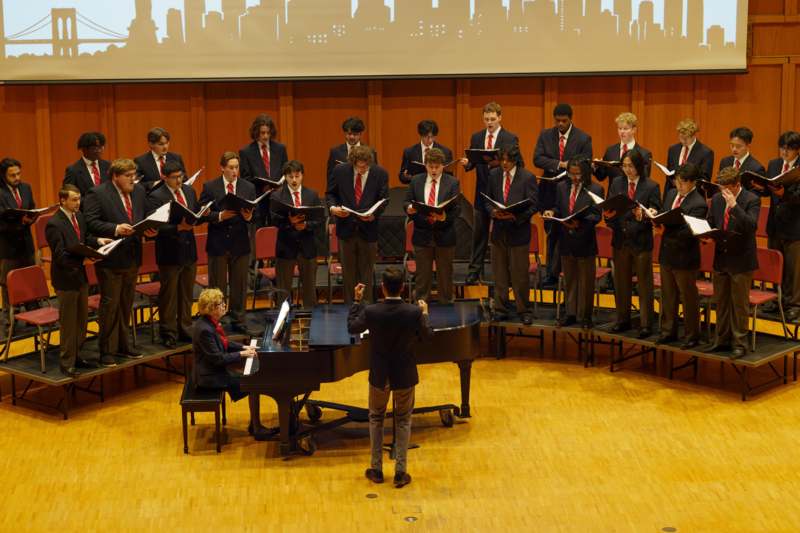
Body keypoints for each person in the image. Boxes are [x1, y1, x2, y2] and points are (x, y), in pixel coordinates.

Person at [347, 268, 432, 489]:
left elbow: (352, 327)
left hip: (380, 373)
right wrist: (424, 314)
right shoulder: (412, 312)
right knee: (403, 420)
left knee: (376, 417)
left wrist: (357, 301)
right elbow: (426, 337)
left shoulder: (372, 311)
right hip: (404, 374)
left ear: (382, 287)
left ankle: (376, 469)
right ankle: (400, 473)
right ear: (403, 287)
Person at [84, 159, 157, 366]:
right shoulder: (97, 193)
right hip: (111, 258)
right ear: (115, 176)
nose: (132, 179)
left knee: (126, 304)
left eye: (133, 174)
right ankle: (107, 350)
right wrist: (116, 229)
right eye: (127, 175)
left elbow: (145, 216)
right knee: (110, 305)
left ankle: (124, 345)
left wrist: (152, 228)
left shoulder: (139, 191)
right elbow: (90, 222)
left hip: (132, 256)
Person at [45, 184, 111, 377]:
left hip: (80, 278)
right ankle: (66, 363)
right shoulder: (54, 224)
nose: (78, 203)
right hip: (65, 279)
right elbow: (60, 256)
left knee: (81, 321)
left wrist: (98, 241)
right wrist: (83, 259)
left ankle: (76, 356)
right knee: (69, 323)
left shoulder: (79, 217)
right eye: (74, 199)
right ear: (62, 200)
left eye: (79, 199)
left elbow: (84, 238)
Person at [193, 288, 271, 440]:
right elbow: (218, 359)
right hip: (211, 377)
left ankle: (255, 425)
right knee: (254, 385)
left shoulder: (209, 323)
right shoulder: (205, 330)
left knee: (250, 378)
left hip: (214, 370)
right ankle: (256, 428)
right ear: (211, 309)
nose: (224, 306)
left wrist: (244, 347)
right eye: (220, 304)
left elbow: (224, 343)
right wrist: (242, 354)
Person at [461, 102, 522, 285]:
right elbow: (474, 162)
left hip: (501, 192)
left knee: (504, 232)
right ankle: (474, 271)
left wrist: (497, 163)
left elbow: (518, 164)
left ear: (500, 117)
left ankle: (505, 272)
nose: (489, 122)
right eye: (486, 119)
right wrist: (468, 164)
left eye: (493, 119)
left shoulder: (510, 138)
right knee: (478, 233)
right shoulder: (477, 137)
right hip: (482, 192)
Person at [534, 103, 593, 287]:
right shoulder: (545, 135)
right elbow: (537, 158)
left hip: (572, 190)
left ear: (570, 119)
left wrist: (573, 167)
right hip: (549, 190)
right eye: (557, 121)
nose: (560, 124)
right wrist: (560, 164)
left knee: (569, 232)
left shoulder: (583, 138)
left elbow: (586, 161)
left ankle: (566, 272)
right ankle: (551, 272)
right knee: (551, 232)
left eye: (564, 121)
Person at [146, 160, 204, 348]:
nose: (179, 181)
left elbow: (194, 214)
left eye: (181, 176)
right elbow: (155, 226)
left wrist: (201, 214)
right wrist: (177, 227)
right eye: (174, 178)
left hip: (188, 249)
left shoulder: (188, 191)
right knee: (169, 295)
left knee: (186, 293)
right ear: (164, 177)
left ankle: (185, 329)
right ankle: (168, 332)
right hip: (169, 251)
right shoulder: (156, 196)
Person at [604, 149, 661, 338]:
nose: (627, 170)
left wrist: (644, 216)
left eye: (631, 166)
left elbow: (656, 213)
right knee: (621, 283)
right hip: (620, 240)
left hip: (641, 241)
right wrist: (608, 217)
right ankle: (622, 319)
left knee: (644, 285)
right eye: (624, 166)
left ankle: (646, 323)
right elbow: (610, 209)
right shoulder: (617, 184)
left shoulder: (651, 186)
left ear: (639, 166)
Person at [199, 152, 256, 334]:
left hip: (240, 243)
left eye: (236, 167)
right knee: (218, 286)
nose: (234, 171)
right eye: (230, 167)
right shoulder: (210, 186)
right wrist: (219, 216)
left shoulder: (247, 187)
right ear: (222, 167)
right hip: (218, 243)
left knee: (239, 284)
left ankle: (239, 318)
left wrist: (249, 216)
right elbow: (201, 213)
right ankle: (217, 321)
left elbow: (258, 213)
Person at [706, 166, 760, 358]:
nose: (723, 193)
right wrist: (706, 234)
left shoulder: (751, 200)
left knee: (739, 304)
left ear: (737, 185)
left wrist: (734, 206)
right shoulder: (717, 199)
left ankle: (739, 343)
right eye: (721, 188)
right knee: (721, 302)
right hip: (721, 258)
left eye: (727, 189)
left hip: (741, 260)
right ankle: (721, 339)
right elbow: (711, 221)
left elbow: (751, 226)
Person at [542, 158, 602, 328]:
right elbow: (558, 208)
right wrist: (551, 211)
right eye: (571, 173)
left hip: (585, 241)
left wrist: (580, 223)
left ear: (585, 173)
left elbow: (596, 215)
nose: (574, 177)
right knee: (570, 281)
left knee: (586, 282)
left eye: (578, 174)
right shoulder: (562, 187)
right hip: (566, 241)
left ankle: (586, 317)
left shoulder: (596, 189)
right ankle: (571, 314)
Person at [654, 163, 708, 350]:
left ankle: (692, 335)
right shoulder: (670, 194)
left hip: (685, 257)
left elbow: (689, 233)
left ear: (693, 183)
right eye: (677, 181)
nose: (679, 185)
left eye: (683, 182)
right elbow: (664, 213)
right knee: (668, 296)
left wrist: (665, 229)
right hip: (667, 254)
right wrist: (655, 216)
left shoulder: (698, 203)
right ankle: (668, 332)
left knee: (688, 297)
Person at [326, 145, 389, 304]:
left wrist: (374, 214)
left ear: (370, 163)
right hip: (346, 229)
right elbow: (330, 194)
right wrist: (334, 209)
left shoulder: (380, 173)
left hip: (368, 230)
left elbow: (384, 199)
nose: (362, 169)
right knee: (348, 274)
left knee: (366, 273)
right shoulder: (340, 171)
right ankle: (350, 307)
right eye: (359, 166)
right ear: (353, 162)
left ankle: (366, 308)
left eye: (365, 166)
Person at [485, 145, 538, 325]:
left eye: (508, 160)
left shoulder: (527, 177)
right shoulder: (493, 175)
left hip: (518, 231)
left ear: (515, 159)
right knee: (499, 274)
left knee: (519, 275)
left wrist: (516, 217)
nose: (504, 163)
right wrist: (493, 212)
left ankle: (524, 310)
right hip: (499, 231)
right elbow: (486, 200)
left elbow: (533, 205)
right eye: (502, 160)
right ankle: (500, 309)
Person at [403, 147, 461, 303]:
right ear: (425, 165)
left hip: (445, 233)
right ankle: (421, 303)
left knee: (445, 273)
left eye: (437, 167)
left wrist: (443, 217)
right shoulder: (416, 180)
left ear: (443, 165)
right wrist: (410, 208)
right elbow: (407, 202)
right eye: (430, 166)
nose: (434, 170)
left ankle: (447, 302)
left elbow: (457, 208)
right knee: (422, 274)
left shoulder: (452, 182)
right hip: (422, 232)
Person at [269, 160, 323, 309]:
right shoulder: (277, 196)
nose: (294, 180)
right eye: (290, 176)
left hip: (307, 246)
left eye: (297, 176)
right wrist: (290, 222)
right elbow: (274, 220)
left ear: (302, 176)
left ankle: (311, 323)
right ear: (285, 177)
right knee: (284, 289)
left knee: (309, 289)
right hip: (286, 246)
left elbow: (319, 220)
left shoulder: (312, 194)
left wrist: (305, 225)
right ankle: (283, 322)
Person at [763, 131, 800, 319]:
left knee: (793, 269)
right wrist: (758, 186)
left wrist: (783, 194)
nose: (784, 152)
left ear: (797, 150)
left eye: (789, 149)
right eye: (782, 148)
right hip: (775, 225)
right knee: (775, 265)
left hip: (795, 226)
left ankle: (794, 303)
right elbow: (767, 189)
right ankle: (776, 299)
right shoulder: (774, 164)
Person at [0, 158, 38, 321]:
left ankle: (32, 313)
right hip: (7, 244)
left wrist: (32, 218)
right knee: (8, 281)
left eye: (18, 173)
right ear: (3, 176)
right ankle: (10, 317)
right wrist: (18, 223)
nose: (17, 177)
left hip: (26, 241)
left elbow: (32, 208)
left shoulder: (26, 187)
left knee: (29, 277)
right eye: (12, 175)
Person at [238, 113, 289, 227]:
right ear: (256, 132)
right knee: (260, 235)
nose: (265, 136)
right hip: (258, 201)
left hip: (278, 200)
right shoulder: (246, 152)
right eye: (262, 133)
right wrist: (262, 187)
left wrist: (280, 186)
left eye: (268, 133)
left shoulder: (280, 149)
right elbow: (245, 179)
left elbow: (287, 172)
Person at [662, 119, 715, 200]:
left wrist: (685, 184)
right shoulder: (673, 149)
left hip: (693, 198)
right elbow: (669, 172)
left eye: (686, 138)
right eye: (680, 137)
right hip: (673, 195)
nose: (683, 141)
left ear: (694, 136)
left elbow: (704, 179)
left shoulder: (706, 152)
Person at [594, 112, 652, 183]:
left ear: (634, 130)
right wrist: (596, 167)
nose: (622, 131)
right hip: (614, 193)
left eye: (625, 128)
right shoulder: (610, 151)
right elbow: (601, 176)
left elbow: (644, 179)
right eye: (620, 128)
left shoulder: (644, 154)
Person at [326, 116, 378, 191]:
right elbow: (330, 179)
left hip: (364, 193)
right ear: (345, 133)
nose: (352, 137)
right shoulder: (335, 152)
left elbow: (374, 176)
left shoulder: (370, 151)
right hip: (342, 197)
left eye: (355, 134)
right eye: (349, 134)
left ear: (360, 134)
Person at [399, 120, 454, 184]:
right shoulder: (409, 152)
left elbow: (450, 176)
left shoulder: (445, 152)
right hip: (417, 188)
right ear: (421, 135)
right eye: (427, 137)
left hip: (439, 189)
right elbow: (402, 176)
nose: (430, 140)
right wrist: (406, 177)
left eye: (433, 137)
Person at [63, 132, 111, 199]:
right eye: (95, 148)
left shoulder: (109, 166)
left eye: (101, 147)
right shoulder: (73, 170)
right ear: (84, 149)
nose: (99, 151)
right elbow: (68, 197)